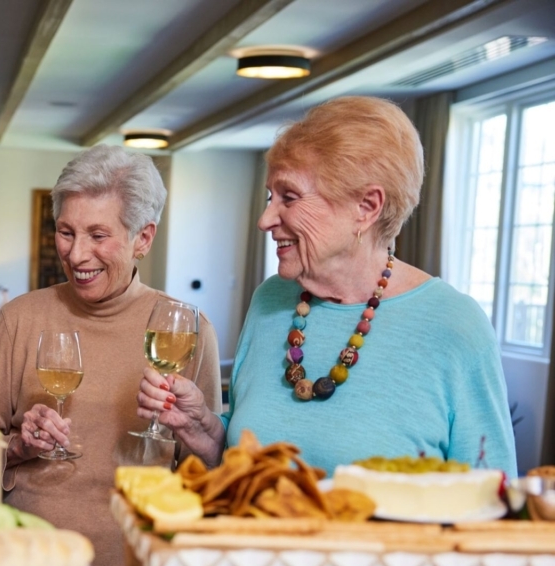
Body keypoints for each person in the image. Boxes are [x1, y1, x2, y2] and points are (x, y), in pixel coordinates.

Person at [138, 96, 517, 479]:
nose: (266, 219)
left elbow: (492, 500)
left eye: (290, 196)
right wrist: (201, 428)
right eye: (271, 197)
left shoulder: (454, 326)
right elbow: (244, 462)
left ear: (366, 207)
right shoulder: (270, 300)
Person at [0, 145, 222, 566]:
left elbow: (207, 469)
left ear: (143, 237)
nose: (75, 254)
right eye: (66, 232)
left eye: (98, 235)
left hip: (139, 560)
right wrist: (19, 446)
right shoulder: (19, 318)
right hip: (30, 558)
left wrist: (194, 432)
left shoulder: (188, 329)